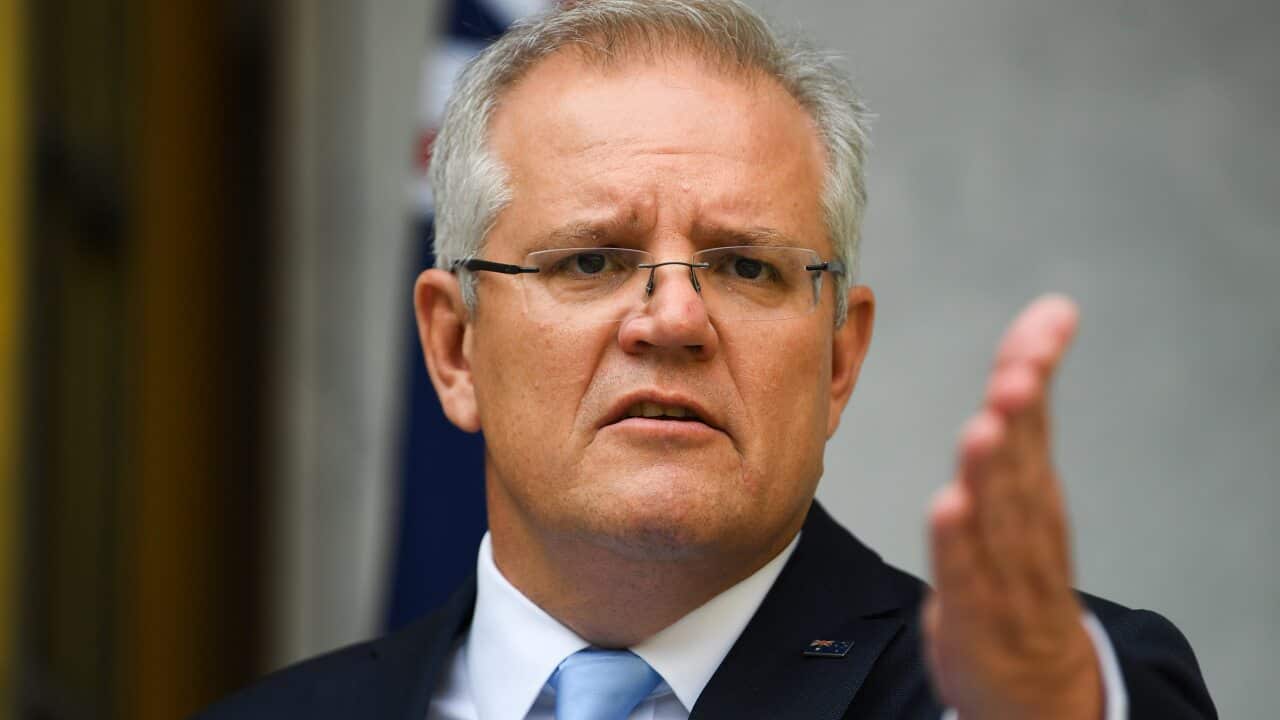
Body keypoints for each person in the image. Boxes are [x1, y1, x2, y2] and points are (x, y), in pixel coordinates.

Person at [199, 1, 1215, 718]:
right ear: (455, 346)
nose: (673, 318)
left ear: (833, 361)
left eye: (744, 268)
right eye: (592, 260)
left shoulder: (1037, 695)